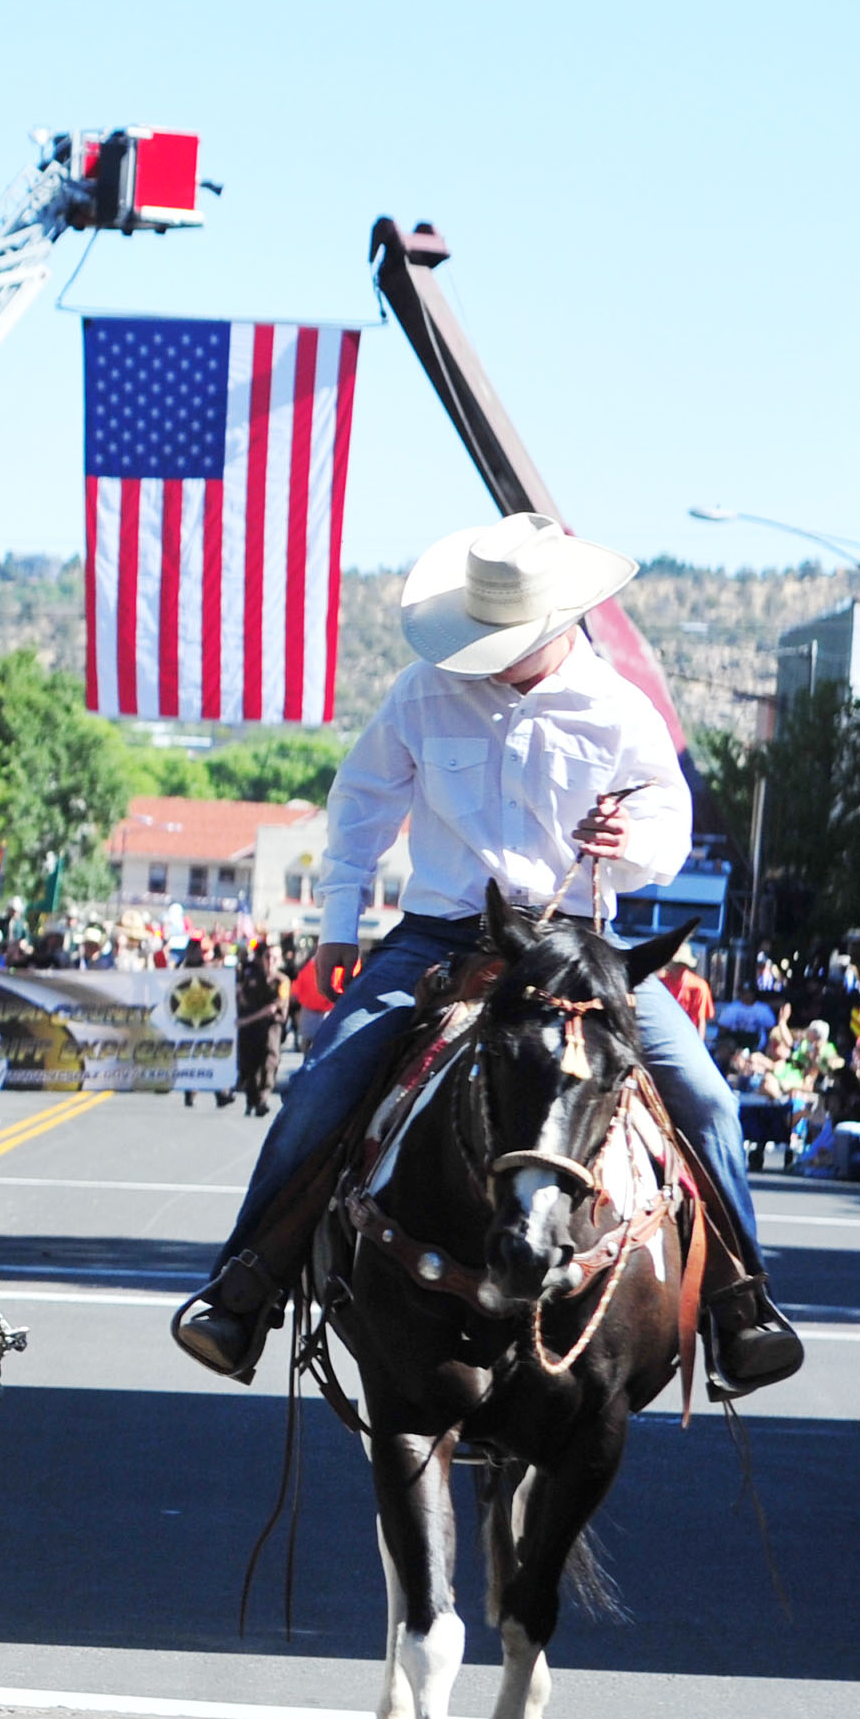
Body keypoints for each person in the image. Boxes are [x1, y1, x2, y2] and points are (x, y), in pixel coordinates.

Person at [169, 515, 803, 1396]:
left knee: (704, 1098)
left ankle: (742, 1305)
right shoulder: (422, 692)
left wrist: (629, 841)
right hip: (441, 933)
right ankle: (243, 1290)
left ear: (556, 621)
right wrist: (341, 924)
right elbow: (357, 803)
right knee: (320, 1087)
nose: (491, 657)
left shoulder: (618, 707)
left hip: (575, 943)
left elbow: (670, 823)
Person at [232, 944, 285, 1118]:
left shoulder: (282, 981)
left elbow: (273, 1008)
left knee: (269, 1063)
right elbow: (242, 1000)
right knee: (250, 1066)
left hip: (270, 1028)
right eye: (268, 957)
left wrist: (246, 1020)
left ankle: (262, 1100)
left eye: (274, 958)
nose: (270, 961)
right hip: (250, 1031)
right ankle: (252, 1099)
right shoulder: (251, 978)